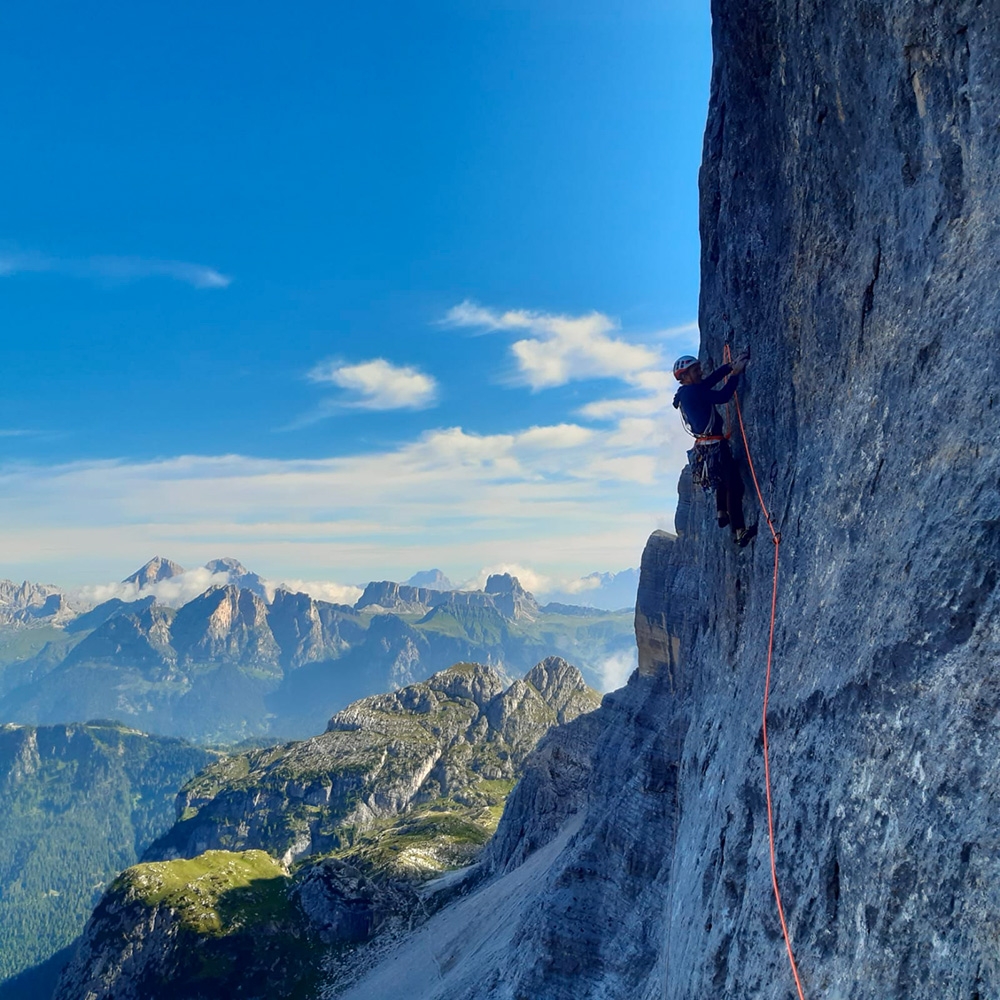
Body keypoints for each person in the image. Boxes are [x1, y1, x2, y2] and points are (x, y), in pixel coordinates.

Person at [672, 350, 757, 547]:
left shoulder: (686, 393)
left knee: (721, 478)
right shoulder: (693, 391)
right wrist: (735, 374)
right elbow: (723, 396)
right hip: (715, 446)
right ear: (684, 376)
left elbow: (708, 381)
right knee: (734, 485)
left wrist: (729, 366)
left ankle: (721, 512)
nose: (700, 372)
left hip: (706, 448)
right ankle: (739, 531)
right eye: (695, 371)